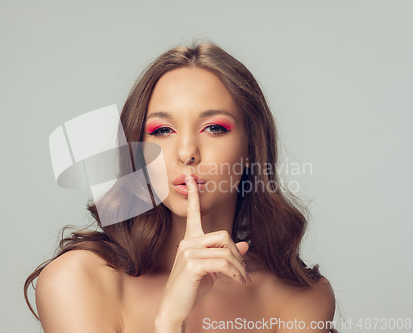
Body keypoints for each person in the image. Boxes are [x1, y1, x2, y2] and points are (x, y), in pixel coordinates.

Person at [24, 40, 337, 333]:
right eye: (163, 130)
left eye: (214, 128)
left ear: (251, 148)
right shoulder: (78, 280)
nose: (187, 152)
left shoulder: (300, 298)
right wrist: (170, 319)